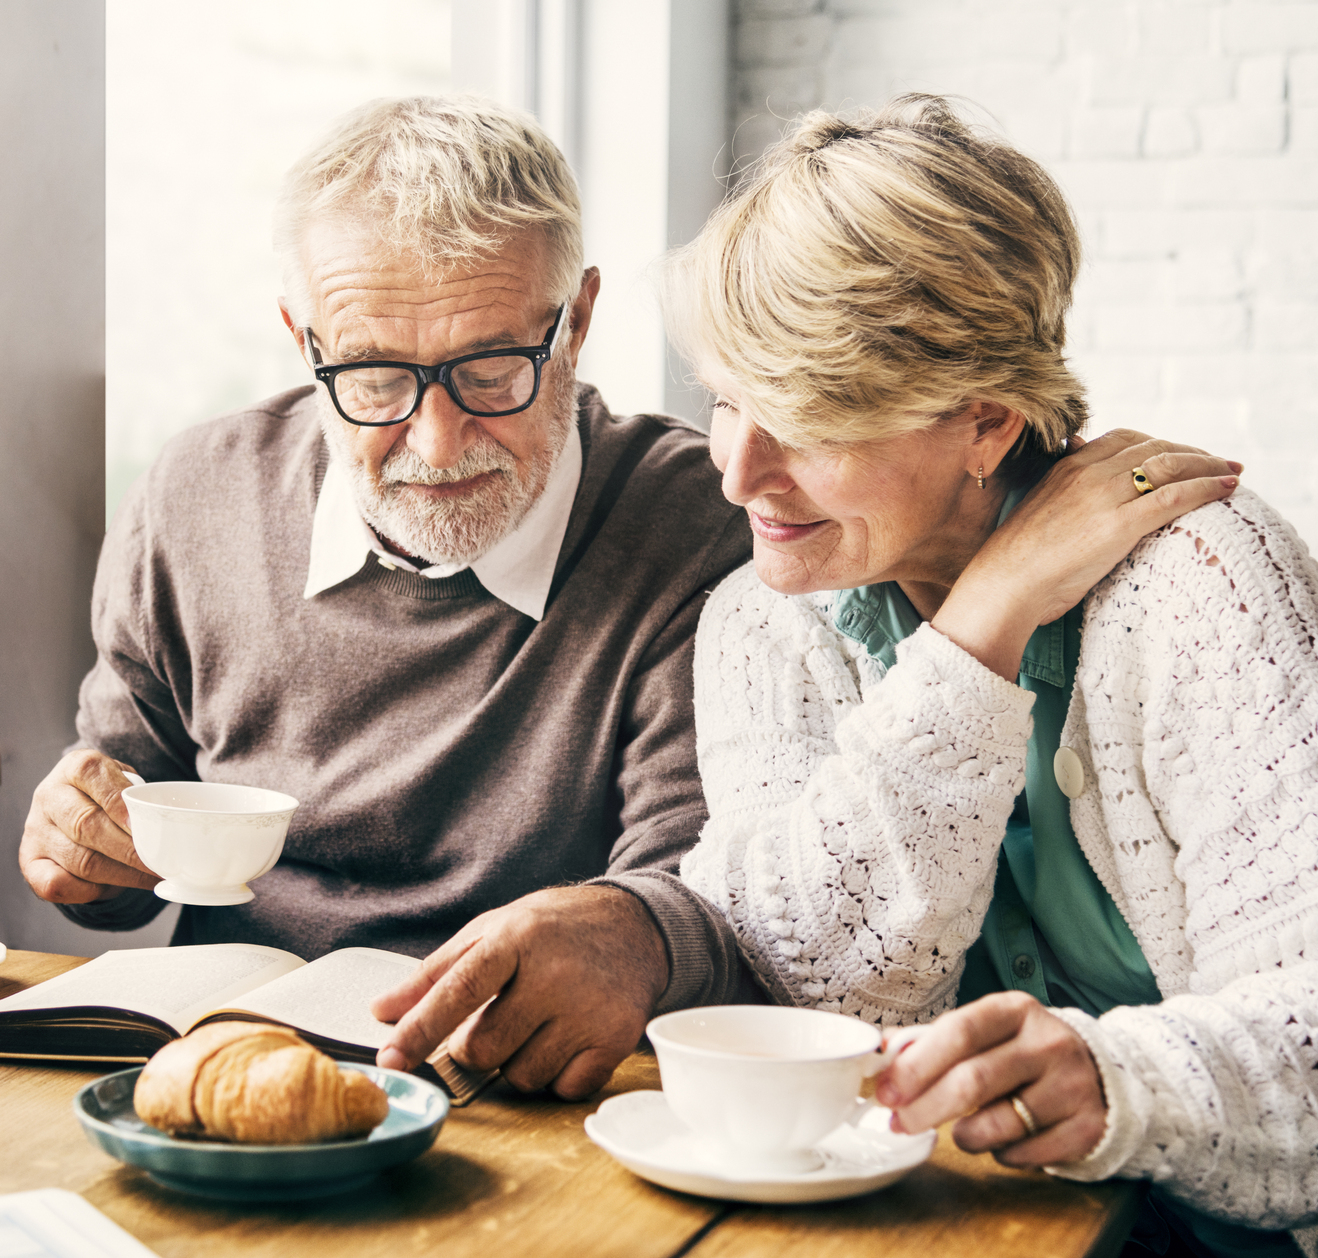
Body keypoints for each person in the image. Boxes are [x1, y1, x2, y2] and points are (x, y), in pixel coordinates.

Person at [672, 96, 1318, 1255]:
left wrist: (1115, 1082)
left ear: (986, 422)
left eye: (810, 417)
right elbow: (814, 993)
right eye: (727, 399)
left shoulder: (1208, 581)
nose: (738, 473)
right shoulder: (762, 624)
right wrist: (979, 626)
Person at [18, 96, 756, 1100]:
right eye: (371, 378)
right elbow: (125, 813)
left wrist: (642, 931)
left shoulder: (695, 522)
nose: (437, 442)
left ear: (576, 321)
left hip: (535, 1087)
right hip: (221, 1070)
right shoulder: (195, 495)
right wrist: (82, 838)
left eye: (492, 369)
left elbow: (711, 887)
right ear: (301, 338)